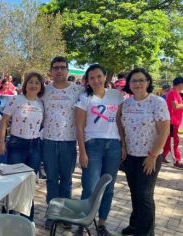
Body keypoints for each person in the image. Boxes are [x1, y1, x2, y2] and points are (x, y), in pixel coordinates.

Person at [118, 68, 170, 236]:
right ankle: (135, 224)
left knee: (145, 195)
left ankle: (145, 232)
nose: (138, 83)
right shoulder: (126, 103)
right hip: (131, 156)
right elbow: (120, 124)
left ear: (148, 82)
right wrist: (123, 145)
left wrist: (153, 156)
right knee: (135, 192)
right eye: (134, 81)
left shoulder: (157, 102)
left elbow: (164, 131)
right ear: (129, 84)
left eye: (141, 80)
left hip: (150, 156)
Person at [75, 64, 124, 236]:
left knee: (108, 188)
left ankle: (102, 224)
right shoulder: (84, 98)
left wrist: (123, 144)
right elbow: (79, 127)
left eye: (98, 76)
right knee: (89, 187)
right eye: (91, 78)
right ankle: (82, 223)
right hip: (93, 145)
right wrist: (82, 151)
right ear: (87, 81)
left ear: (105, 77)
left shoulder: (116, 96)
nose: (95, 80)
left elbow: (120, 122)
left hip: (114, 146)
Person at [41, 56, 84, 228]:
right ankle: (52, 214)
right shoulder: (44, 91)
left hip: (68, 141)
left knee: (66, 180)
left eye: (63, 67)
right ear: (51, 71)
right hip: (49, 141)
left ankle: (65, 215)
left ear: (67, 70)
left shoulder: (78, 91)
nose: (59, 70)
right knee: (51, 179)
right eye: (56, 68)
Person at [0, 71, 45, 223]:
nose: (34, 85)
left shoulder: (41, 103)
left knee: (29, 184)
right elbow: (4, 121)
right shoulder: (16, 100)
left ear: (41, 86)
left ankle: (26, 220)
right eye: (31, 82)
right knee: (13, 182)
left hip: (35, 146)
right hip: (17, 144)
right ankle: (7, 217)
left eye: (37, 82)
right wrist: (1, 142)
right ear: (25, 85)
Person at [162, 76, 183, 167]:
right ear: (179, 84)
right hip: (172, 121)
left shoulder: (176, 93)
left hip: (174, 121)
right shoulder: (173, 93)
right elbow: (176, 106)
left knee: (168, 141)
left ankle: (162, 156)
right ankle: (177, 160)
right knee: (174, 141)